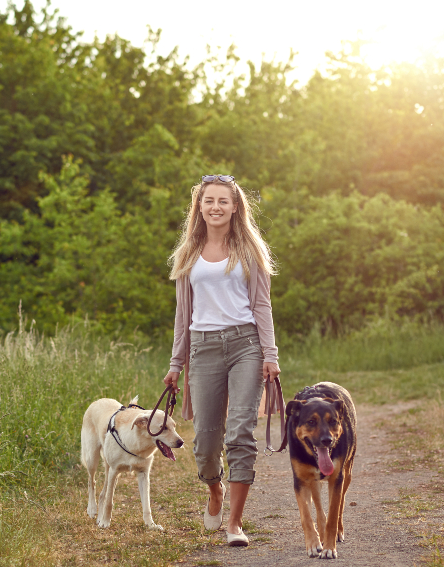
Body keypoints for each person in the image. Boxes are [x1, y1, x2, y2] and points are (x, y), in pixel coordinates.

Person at [163, 174, 281, 547]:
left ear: (235, 207)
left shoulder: (250, 250)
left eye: (223, 201)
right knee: (206, 444)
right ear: (199, 206)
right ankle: (215, 489)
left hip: (246, 345)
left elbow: (261, 305)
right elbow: (183, 315)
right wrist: (175, 364)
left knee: (240, 432)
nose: (215, 207)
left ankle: (234, 523)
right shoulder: (187, 254)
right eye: (209, 200)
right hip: (203, 348)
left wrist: (270, 354)